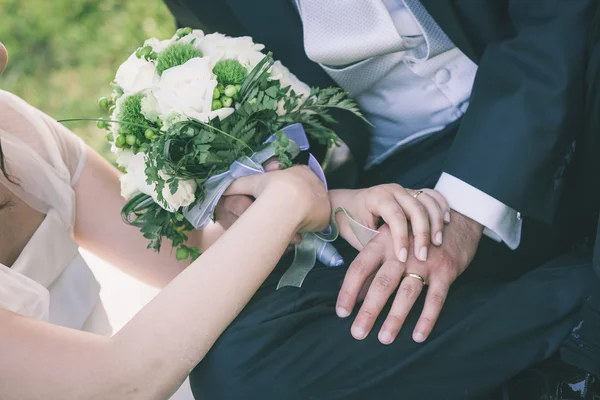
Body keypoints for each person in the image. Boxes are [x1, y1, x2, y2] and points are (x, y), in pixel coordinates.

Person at [162, 0, 599, 398]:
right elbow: (241, 72)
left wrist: (466, 208)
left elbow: (556, 19)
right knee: (239, 371)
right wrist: (257, 175)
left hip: (568, 93)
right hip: (387, 179)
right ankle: (575, 310)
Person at [0, 39, 335, 399]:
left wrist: (285, 202)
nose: (3, 51)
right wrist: (286, 203)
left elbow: (185, 258)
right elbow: (117, 385)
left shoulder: (13, 127)